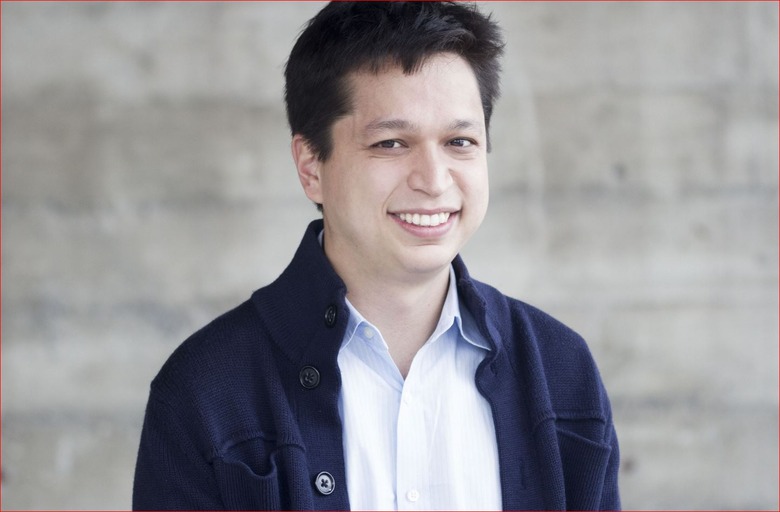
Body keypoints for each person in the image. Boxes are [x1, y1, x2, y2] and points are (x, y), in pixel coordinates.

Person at [132, 2, 620, 510]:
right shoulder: (205, 389)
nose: (433, 180)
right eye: (390, 143)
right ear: (311, 167)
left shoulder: (562, 370)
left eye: (459, 141)